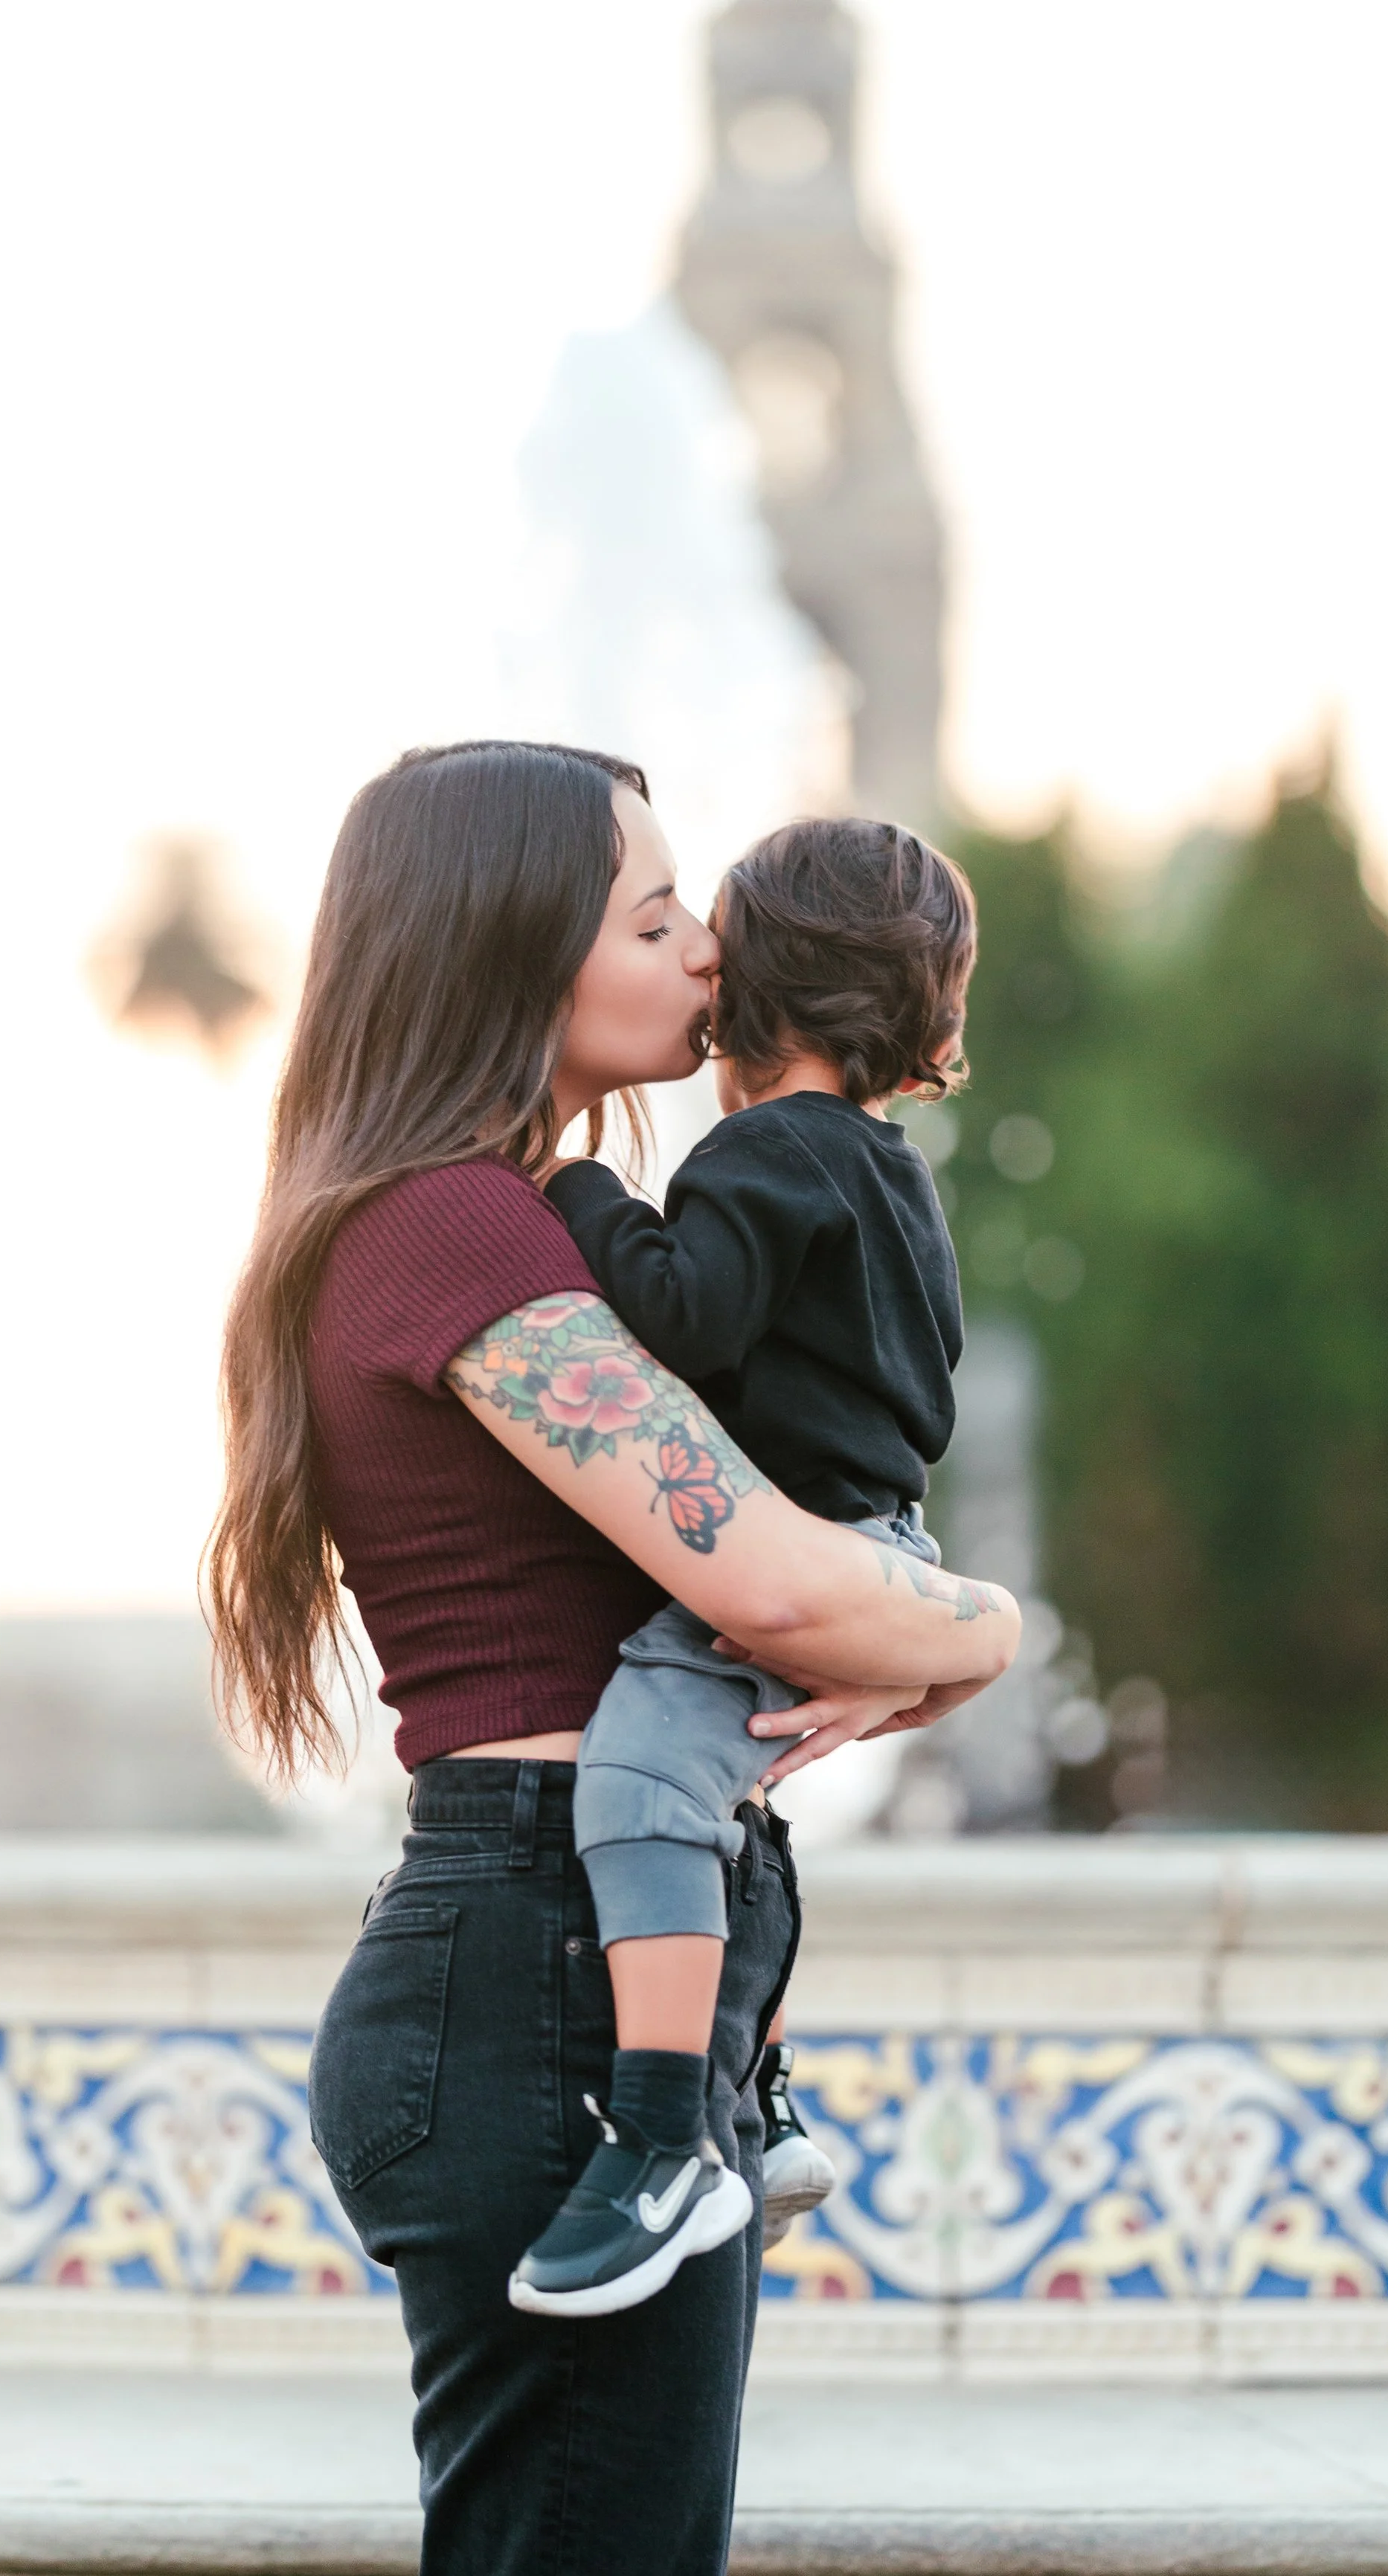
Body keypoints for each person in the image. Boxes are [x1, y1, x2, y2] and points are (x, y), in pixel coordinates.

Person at [208, 738, 1021, 2576]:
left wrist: (936, 1627)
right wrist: (988, 1629)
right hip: (544, 1973)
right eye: (653, 914)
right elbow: (770, 1578)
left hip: (589, 1965)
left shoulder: (518, 1225)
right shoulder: (459, 1231)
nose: (706, 941)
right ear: (509, 943)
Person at [509, 815, 984, 2317]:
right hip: (880, 1539)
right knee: (715, 1817)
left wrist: (579, 1193)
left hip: (807, 1548)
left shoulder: (763, 1152)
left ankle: (661, 2142)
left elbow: (682, 1319)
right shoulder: (885, 1172)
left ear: (745, 996)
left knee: (643, 1785)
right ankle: (758, 2106)